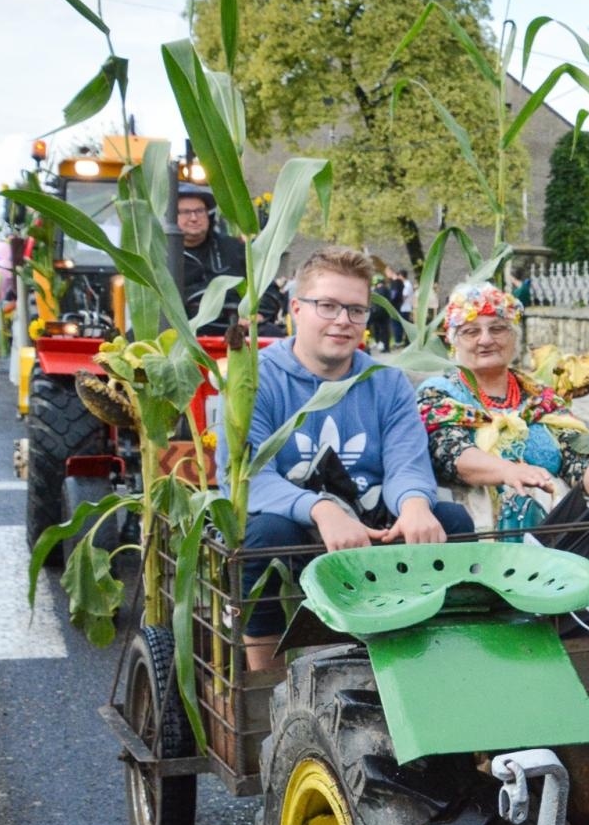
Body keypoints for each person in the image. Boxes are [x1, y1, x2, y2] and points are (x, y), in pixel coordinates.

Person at [226, 246, 475, 670]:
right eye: (327, 306)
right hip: (295, 525)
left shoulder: (387, 381)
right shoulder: (257, 379)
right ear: (297, 309)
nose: (343, 320)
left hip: (372, 524)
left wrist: (414, 505)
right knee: (264, 537)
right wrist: (321, 509)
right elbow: (251, 477)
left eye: (356, 310)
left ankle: (435, 664)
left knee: (450, 521)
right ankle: (263, 680)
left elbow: (406, 462)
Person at [417, 281, 589, 533]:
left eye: (498, 328)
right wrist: (510, 471)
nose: (485, 340)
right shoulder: (438, 394)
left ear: (514, 336)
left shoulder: (540, 397)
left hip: (555, 527)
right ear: (453, 342)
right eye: (471, 332)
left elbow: (578, 457)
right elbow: (451, 453)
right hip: (474, 531)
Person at [177, 184, 283, 335]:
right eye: (186, 212)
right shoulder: (163, 257)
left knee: (274, 334)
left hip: (238, 329)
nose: (194, 218)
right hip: (184, 332)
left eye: (199, 211)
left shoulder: (235, 249)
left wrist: (256, 314)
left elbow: (268, 288)